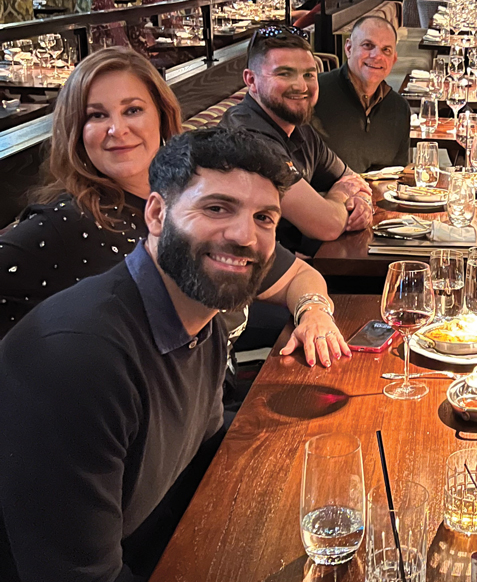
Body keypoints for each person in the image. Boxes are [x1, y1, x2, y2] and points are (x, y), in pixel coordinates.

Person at [0, 126, 325, 582]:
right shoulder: (82, 357)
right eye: (216, 208)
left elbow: (196, 462)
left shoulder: (199, 316)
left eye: (264, 218)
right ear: (156, 212)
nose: (244, 235)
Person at [0, 47, 349, 367]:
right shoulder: (64, 224)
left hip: (210, 399)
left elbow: (298, 276)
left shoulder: (195, 199)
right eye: (97, 115)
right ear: (76, 131)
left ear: (161, 116)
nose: (117, 129)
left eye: (132, 110)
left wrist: (314, 313)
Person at [224, 28, 373, 255]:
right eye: (285, 74)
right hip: (252, 270)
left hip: (296, 262)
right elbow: (328, 225)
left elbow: (352, 179)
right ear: (251, 80)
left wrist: (362, 202)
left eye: (309, 75)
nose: (301, 86)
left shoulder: (296, 126)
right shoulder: (249, 139)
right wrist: (339, 195)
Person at [314, 14, 411, 173]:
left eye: (386, 50)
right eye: (367, 45)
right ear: (349, 48)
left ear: (393, 59)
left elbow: (396, 174)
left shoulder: (399, 108)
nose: (377, 56)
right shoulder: (314, 93)